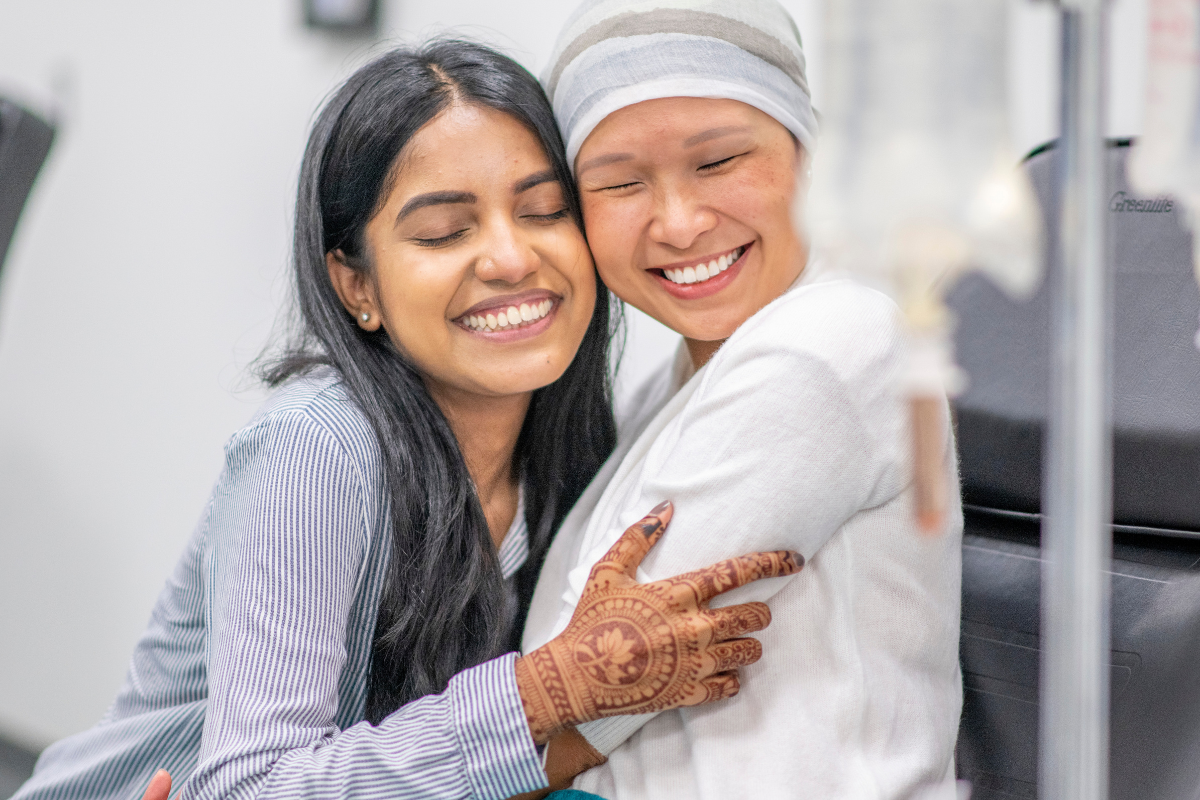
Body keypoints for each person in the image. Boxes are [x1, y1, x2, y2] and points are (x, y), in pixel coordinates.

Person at [13, 41, 801, 800]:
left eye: (545, 211)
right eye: (443, 232)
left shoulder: (583, 449)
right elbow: (251, 785)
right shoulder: (316, 447)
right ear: (356, 285)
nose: (509, 257)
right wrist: (545, 690)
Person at [521, 0, 965, 797]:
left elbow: (581, 701)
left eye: (718, 162)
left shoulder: (829, 344)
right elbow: (566, 669)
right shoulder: (671, 385)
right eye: (621, 182)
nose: (681, 223)